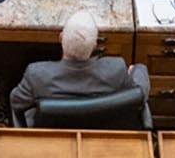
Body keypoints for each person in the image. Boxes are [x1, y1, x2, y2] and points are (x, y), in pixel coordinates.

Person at [10, 11, 150, 126]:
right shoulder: (116, 69)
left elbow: (16, 102)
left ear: (60, 38)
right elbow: (140, 93)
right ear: (95, 45)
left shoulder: (37, 74)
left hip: (51, 138)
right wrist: (137, 69)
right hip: (100, 133)